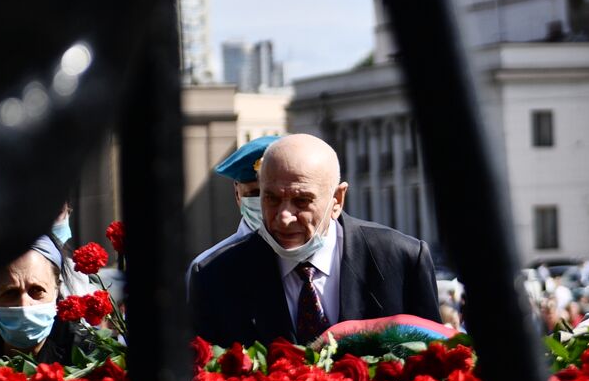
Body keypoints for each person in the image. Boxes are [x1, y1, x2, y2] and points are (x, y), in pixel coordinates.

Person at [188, 134, 440, 347]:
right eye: (271, 198)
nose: (284, 218)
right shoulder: (216, 276)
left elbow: (437, 371)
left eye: (302, 201)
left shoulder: (401, 260)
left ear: (337, 200)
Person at [0, 235, 85, 364]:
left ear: (56, 292)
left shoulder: (92, 358)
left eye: (37, 290)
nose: (24, 305)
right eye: (10, 293)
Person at [185, 134, 278, 296]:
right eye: (255, 193)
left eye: (273, 194)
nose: (264, 202)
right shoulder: (207, 269)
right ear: (237, 194)